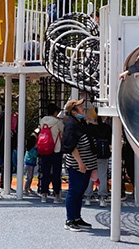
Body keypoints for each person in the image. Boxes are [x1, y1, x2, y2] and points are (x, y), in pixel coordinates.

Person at [62, 99, 97, 231]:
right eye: (80, 107)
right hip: (77, 165)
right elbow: (71, 147)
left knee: (80, 191)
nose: (83, 108)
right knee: (74, 191)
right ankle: (70, 219)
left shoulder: (81, 122)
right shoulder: (71, 125)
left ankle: (77, 217)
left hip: (87, 163)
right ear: (73, 111)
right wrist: (80, 163)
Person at [83, 111, 112, 207]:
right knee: (102, 175)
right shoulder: (107, 128)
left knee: (89, 175)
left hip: (90, 154)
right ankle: (102, 197)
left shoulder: (88, 128)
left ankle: (87, 197)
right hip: (103, 154)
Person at [38, 103, 64, 202]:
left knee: (45, 173)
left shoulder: (42, 120)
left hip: (44, 149)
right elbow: (63, 132)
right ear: (55, 112)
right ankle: (57, 195)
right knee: (56, 173)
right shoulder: (58, 122)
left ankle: (44, 194)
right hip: (56, 149)